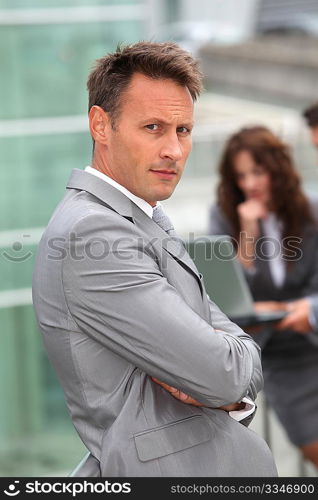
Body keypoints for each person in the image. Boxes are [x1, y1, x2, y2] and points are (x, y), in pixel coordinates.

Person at [32, 42, 276, 477]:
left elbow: (232, 360)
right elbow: (223, 370)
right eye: (153, 127)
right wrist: (224, 374)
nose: (174, 150)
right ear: (100, 125)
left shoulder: (139, 219)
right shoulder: (95, 234)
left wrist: (227, 378)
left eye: (183, 130)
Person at [209, 125, 318, 468]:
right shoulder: (224, 216)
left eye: (258, 171)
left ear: (277, 168)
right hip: (279, 355)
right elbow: (229, 298)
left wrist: (298, 309)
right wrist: (247, 235)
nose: (250, 184)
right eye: (241, 176)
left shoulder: (311, 212)